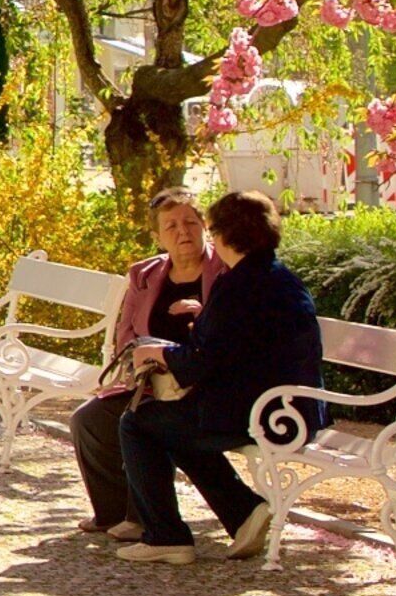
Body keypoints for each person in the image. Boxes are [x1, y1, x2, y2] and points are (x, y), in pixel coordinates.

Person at [113, 188, 322, 563]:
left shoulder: (238, 285)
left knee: (139, 422)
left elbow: (198, 361)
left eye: (208, 228)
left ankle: (165, 536)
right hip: (292, 409)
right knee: (174, 424)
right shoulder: (276, 276)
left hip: (267, 415)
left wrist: (156, 351)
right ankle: (243, 513)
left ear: (223, 235)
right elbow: (225, 348)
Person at [72, 188, 211, 538]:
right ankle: (113, 513)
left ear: (204, 225)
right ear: (157, 237)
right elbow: (126, 335)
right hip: (151, 380)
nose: (183, 232)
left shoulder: (223, 272)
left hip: (203, 384)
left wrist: (201, 316)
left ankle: (143, 517)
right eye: (171, 226)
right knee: (87, 419)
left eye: (190, 222)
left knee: (145, 420)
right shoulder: (144, 274)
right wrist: (140, 371)